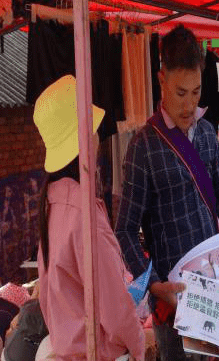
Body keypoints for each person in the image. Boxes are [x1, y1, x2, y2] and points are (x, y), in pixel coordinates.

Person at [115, 24, 219, 361]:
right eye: (179, 92)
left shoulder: (205, 134)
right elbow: (125, 229)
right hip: (173, 299)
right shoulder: (143, 147)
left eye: (196, 91)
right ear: (161, 81)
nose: (189, 104)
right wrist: (153, 283)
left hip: (215, 290)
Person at [34, 75, 145, 361]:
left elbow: (46, 297)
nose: (97, 136)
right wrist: (141, 345)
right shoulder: (83, 214)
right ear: (84, 138)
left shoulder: (52, 203)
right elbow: (115, 308)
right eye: (93, 129)